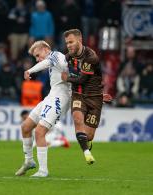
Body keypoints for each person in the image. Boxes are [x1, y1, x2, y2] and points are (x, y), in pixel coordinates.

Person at [15, 40, 71, 177]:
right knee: (26, 127)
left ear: (46, 49)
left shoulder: (56, 55)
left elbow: (46, 62)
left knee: (40, 131)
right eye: (36, 57)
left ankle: (43, 170)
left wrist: (30, 70)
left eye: (38, 55)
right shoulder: (54, 61)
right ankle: (29, 161)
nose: (38, 59)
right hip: (51, 96)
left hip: (60, 98)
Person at [61, 29, 112, 165]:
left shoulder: (91, 56)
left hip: (94, 98)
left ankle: (87, 143)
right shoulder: (68, 56)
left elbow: (82, 79)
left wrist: (67, 78)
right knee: (78, 120)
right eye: (67, 43)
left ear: (80, 40)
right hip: (78, 95)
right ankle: (87, 154)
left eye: (71, 42)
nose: (69, 45)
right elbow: (55, 62)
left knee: (89, 135)